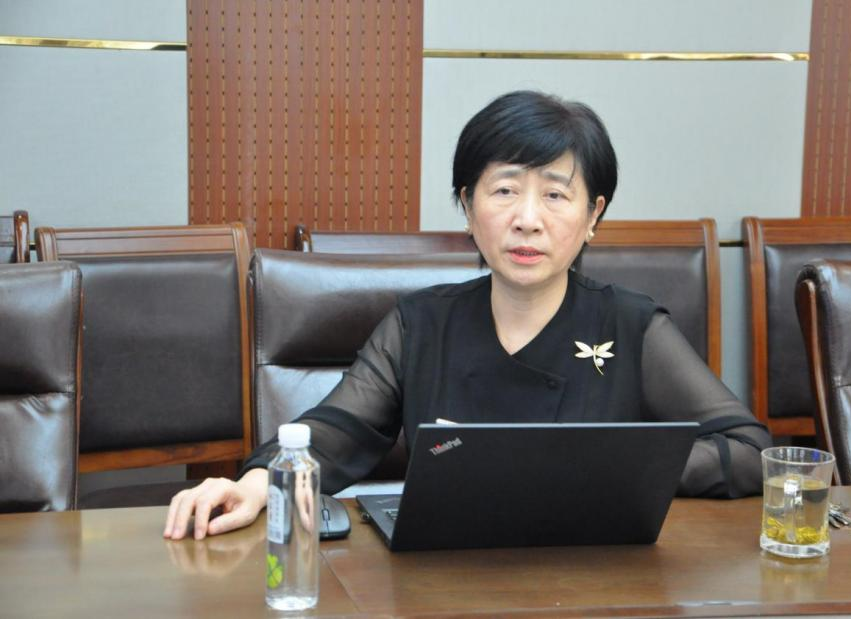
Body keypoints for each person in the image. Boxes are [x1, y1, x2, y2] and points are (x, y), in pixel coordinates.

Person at [164, 90, 771, 540]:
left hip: (597, 576)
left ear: (592, 216)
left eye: (555, 195)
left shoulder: (631, 326)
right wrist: (254, 483)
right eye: (504, 190)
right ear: (467, 205)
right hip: (441, 574)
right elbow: (337, 430)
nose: (527, 219)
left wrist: (610, 467)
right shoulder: (420, 325)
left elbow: (747, 449)